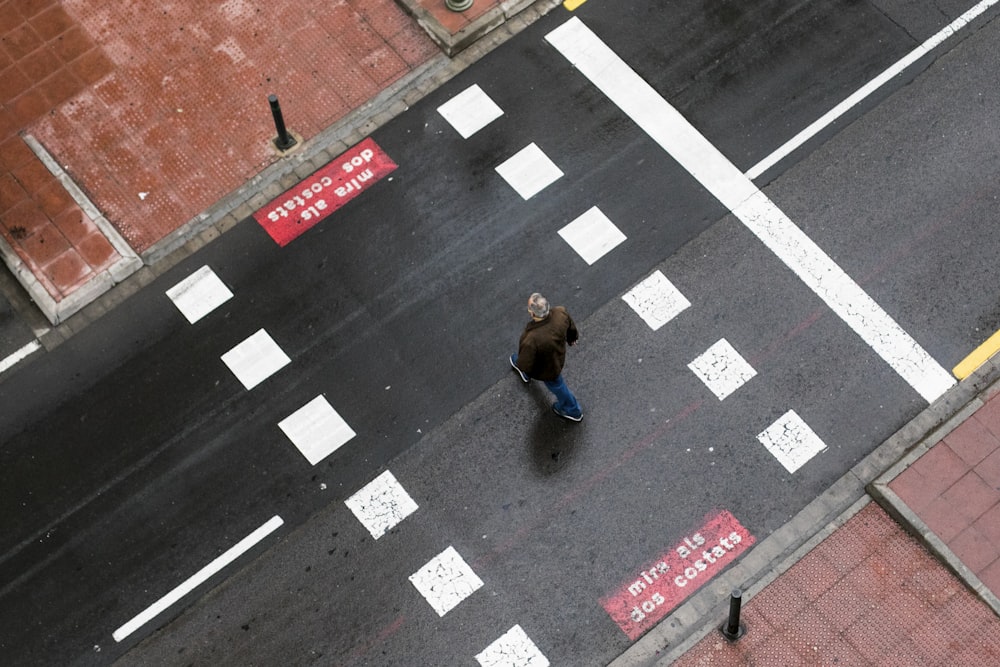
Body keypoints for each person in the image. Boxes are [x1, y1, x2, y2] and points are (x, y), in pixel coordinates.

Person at [510, 292, 583, 421]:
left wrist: (523, 366)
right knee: (555, 382)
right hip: (556, 356)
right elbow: (571, 327)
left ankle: (573, 409)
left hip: (547, 368)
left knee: (556, 384)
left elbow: (526, 362)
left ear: (532, 314)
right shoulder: (561, 313)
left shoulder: (532, 339)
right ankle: (571, 408)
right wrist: (572, 339)